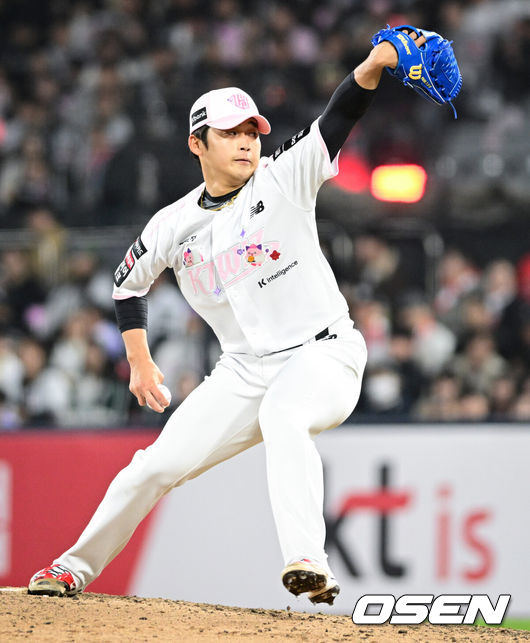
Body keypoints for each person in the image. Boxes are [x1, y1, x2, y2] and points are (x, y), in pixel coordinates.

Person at [28, 29, 426, 606]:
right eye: (230, 133)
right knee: (152, 468)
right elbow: (126, 286)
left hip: (323, 353)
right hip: (242, 370)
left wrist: (374, 65)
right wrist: (139, 360)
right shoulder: (172, 223)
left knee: (285, 415)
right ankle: (72, 569)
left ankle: (308, 561)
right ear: (197, 143)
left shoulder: (284, 177)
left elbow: (340, 115)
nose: (246, 143)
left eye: (251, 132)